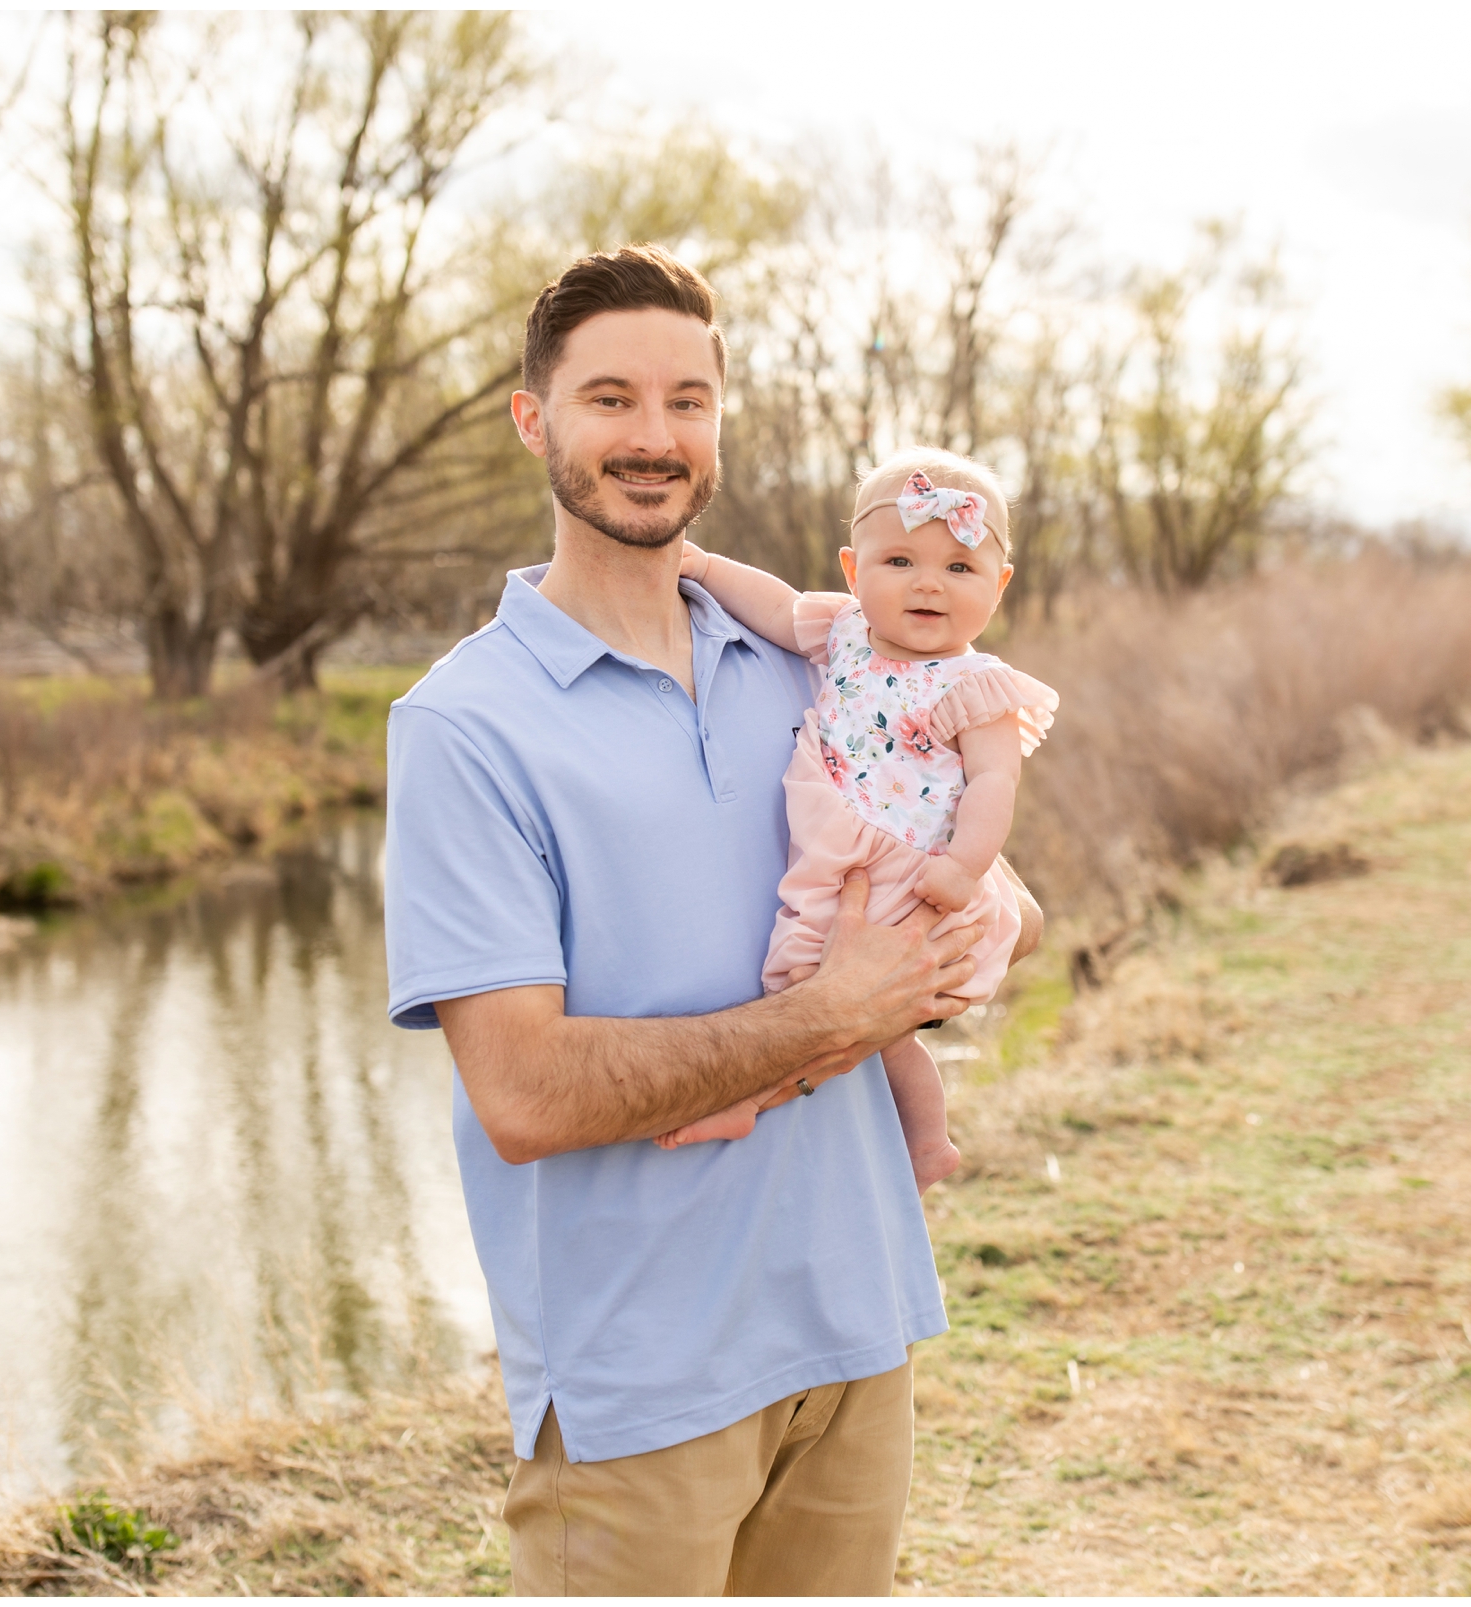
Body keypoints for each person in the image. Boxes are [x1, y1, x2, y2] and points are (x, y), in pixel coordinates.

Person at [380, 243, 1040, 1596]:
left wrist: (990, 927)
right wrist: (831, 1010)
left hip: (854, 1330)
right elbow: (522, 1092)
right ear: (534, 418)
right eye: (610, 397)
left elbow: (952, 858)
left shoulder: (813, 654)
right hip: (640, 1383)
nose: (653, 435)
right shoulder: (465, 724)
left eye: (688, 400)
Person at [655, 448, 1057, 1192]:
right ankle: (775, 1101)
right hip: (833, 849)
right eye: (900, 560)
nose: (929, 583)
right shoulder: (841, 632)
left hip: (909, 867)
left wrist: (966, 865)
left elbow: (996, 783)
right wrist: (705, 569)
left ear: (998, 586)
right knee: (807, 996)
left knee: (860, 1007)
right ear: (853, 570)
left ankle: (911, 1133)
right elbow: (774, 605)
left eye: (960, 568)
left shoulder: (978, 685)